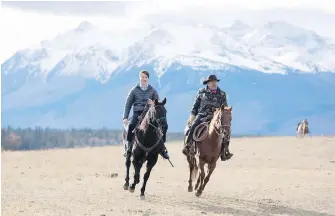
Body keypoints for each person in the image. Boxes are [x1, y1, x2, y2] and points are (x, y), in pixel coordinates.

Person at [182, 74, 233, 161]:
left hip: (216, 118)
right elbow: (195, 106)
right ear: (208, 83)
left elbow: (225, 108)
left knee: (226, 130)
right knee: (193, 126)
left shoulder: (222, 94)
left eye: (215, 82)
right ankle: (188, 146)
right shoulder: (201, 92)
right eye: (211, 82)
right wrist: (191, 117)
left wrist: (226, 116)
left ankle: (225, 151)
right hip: (202, 115)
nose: (214, 83)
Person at [122, 70, 170, 159]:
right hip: (137, 113)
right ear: (139, 78)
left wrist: (153, 103)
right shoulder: (134, 91)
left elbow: (158, 104)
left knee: (161, 128)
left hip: (149, 114)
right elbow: (128, 104)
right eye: (142, 77)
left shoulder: (153, 91)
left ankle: (162, 149)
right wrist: (125, 117)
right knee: (131, 125)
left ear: (148, 79)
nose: (144, 79)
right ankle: (128, 147)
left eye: (145, 77)